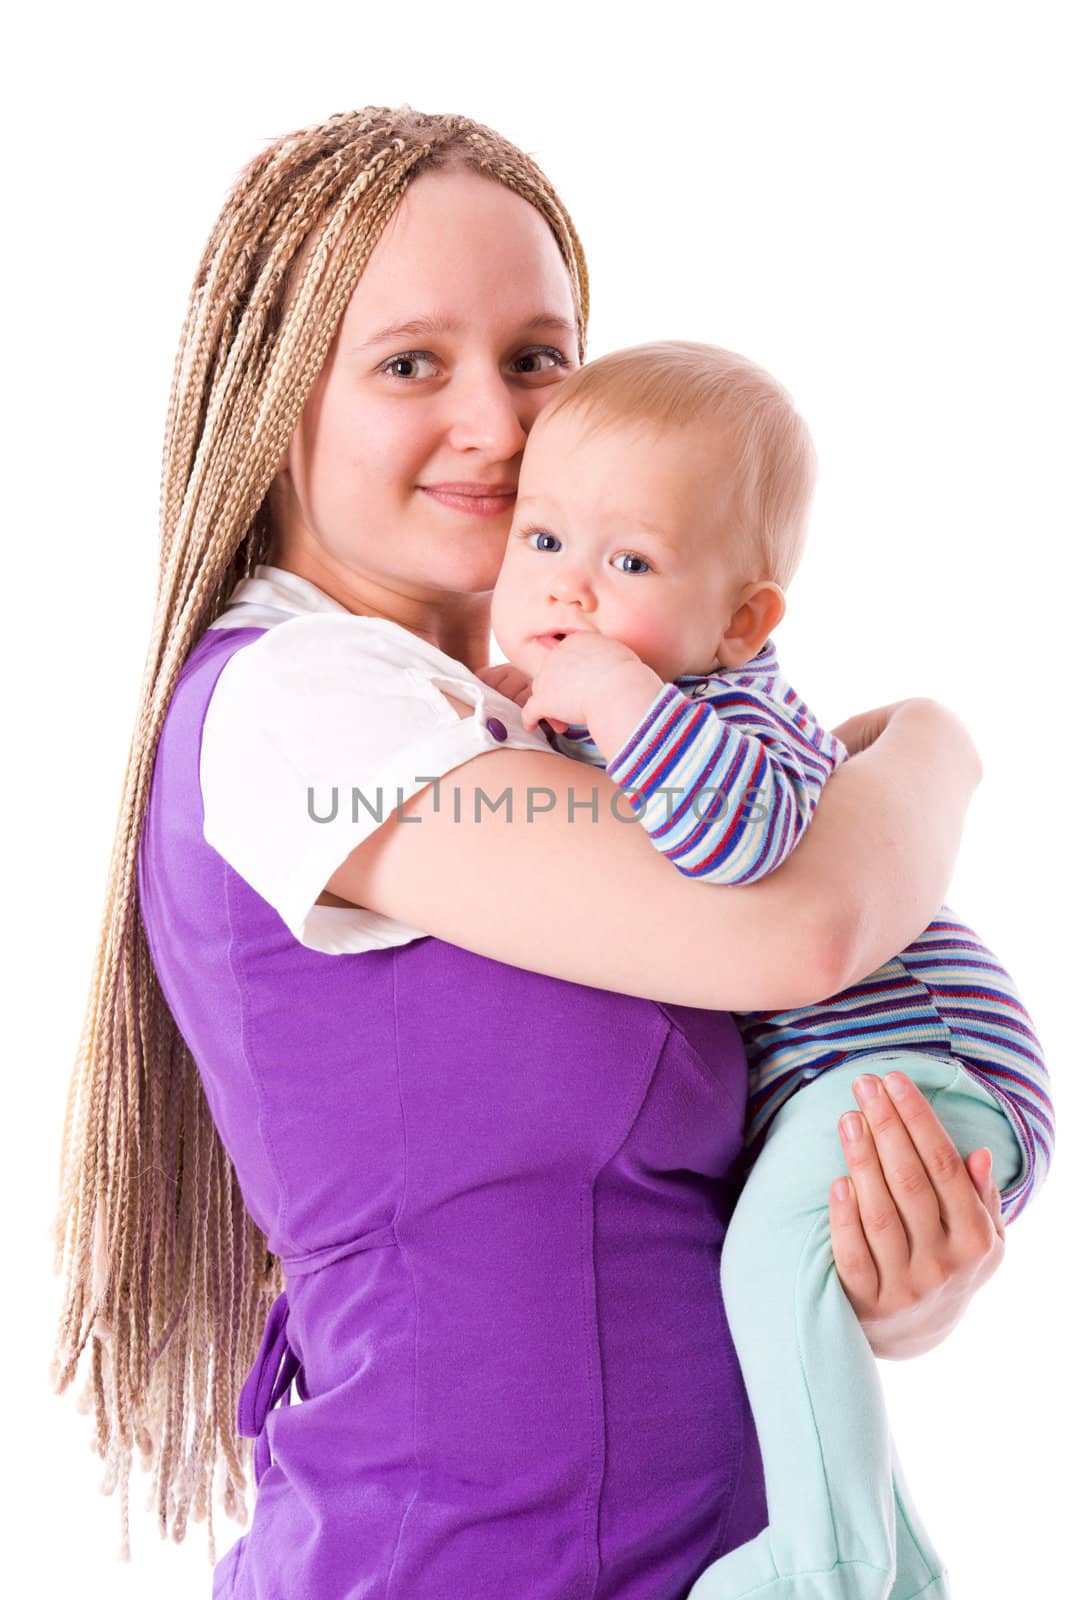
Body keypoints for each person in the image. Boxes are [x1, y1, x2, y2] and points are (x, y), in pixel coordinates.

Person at [50, 108, 1007, 1600]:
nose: (495, 425)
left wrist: (894, 1277)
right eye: (409, 363)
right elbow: (805, 930)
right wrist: (939, 748)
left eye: (535, 359)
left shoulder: (554, 730)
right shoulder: (301, 709)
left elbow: (672, 1186)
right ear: (275, 392)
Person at [478, 340, 1053, 1598]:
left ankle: (822, 1568)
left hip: (913, 1056)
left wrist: (609, 694)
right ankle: (892, 1571)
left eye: (626, 562)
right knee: (791, 1289)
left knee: (764, 1267)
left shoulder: (724, 711)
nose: (569, 592)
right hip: (867, 1078)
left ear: (741, 619)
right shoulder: (637, 706)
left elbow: (740, 842)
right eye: (541, 540)